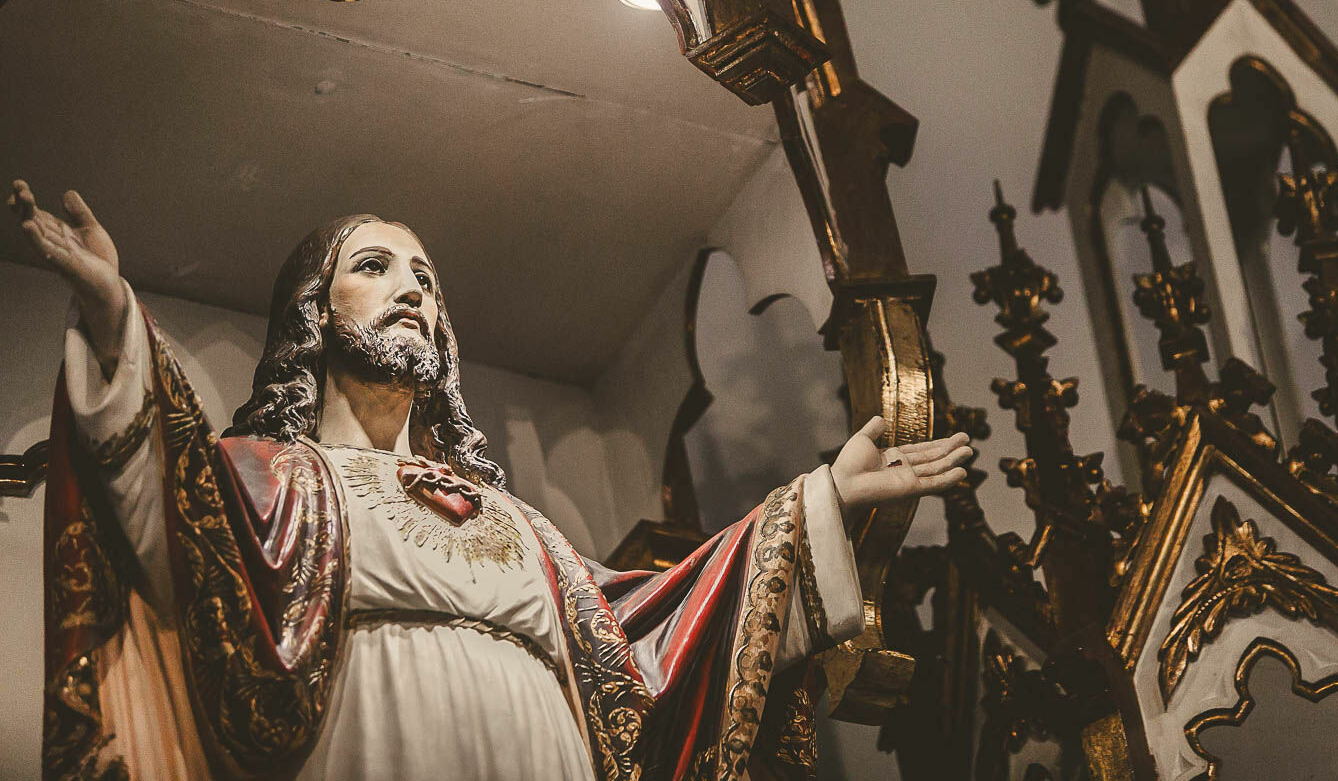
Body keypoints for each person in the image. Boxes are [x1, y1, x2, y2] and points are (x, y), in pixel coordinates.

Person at [8, 180, 974, 781]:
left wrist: (821, 502)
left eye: (425, 275)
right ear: (314, 312)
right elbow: (162, 514)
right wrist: (112, 321)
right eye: (377, 267)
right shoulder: (268, 479)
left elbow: (655, 630)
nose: (414, 289)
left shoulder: (518, 526)